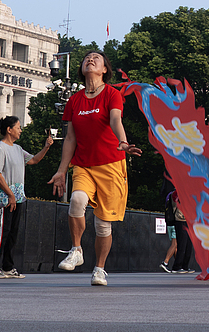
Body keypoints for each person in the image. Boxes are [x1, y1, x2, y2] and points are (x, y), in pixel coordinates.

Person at [50, 49, 141, 287]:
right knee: (77, 200)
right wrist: (62, 170)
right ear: (82, 69)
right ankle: (77, 250)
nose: (90, 60)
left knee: (102, 224)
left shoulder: (112, 94)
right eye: (87, 58)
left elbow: (115, 120)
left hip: (111, 164)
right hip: (84, 165)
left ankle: (99, 269)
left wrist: (123, 142)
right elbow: (70, 138)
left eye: (96, 59)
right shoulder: (74, 100)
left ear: (104, 70)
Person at [0, 116, 56, 278]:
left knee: (13, 233)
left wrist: (46, 147)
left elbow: (34, 160)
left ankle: (7, 267)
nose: (20, 130)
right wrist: (10, 195)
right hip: (5, 199)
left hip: (18, 199)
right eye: (18, 127)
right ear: (9, 130)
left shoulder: (17, 149)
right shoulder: (0, 148)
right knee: (1, 233)